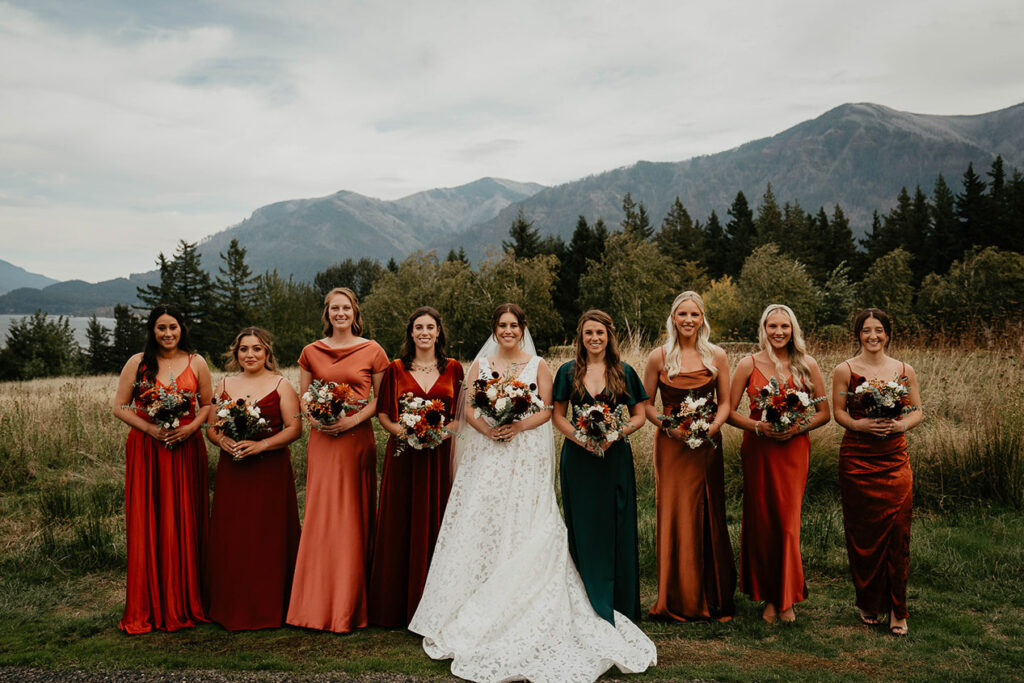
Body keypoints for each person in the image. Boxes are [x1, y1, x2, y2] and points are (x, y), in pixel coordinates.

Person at [409, 304, 656, 683]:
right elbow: (470, 408)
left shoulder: (539, 364)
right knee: (485, 518)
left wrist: (519, 424)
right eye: (502, 325)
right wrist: (489, 428)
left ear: (522, 329)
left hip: (524, 453)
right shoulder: (482, 365)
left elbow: (546, 411)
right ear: (495, 329)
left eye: (514, 325)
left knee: (528, 517)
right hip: (490, 452)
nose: (508, 331)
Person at [286, 287, 389, 633]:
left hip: (356, 440)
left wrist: (352, 420)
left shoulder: (373, 350)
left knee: (352, 515)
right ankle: (313, 603)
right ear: (327, 313)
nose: (340, 313)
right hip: (323, 440)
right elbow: (304, 397)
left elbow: (381, 399)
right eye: (334, 308)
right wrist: (317, 420)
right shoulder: (310, 352)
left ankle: (352, 603)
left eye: (346, 308)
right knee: (321, 514)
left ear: (354, 312)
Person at [112, 305, 212, 633]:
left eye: (173, 327)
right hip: (147, 447)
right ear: (152, 330)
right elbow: (120, 407)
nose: (167, 334)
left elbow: (207, 405)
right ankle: (150, 603)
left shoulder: (196, 362)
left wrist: (190, 428)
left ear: (182, 328)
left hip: (186, 447)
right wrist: (152, 430)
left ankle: (187, 599)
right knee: (149, 519)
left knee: (185, 519)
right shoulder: (138, 362)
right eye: (161, 328)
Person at [728, 304, 830, 623]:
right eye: (772, 326)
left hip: (793, 451)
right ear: (763, 329)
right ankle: (770, 597)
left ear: (793, 329)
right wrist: (759, 427)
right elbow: (729, 412)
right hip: (759, 449)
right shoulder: (748, 364)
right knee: (763, 523)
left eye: (784, 326)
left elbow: (824, 413)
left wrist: (797, 428)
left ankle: (786, 599)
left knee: (787, 523)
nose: (778, 332)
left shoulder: (807, 364)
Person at [367, 307, 464, 628]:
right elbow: (383, 415)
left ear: (439, 332)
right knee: (400, 522)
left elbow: (460, 417)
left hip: (439, 456)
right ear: (411, 333)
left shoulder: (453, 369)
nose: (424, 332)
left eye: (430, 327)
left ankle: (436, 607)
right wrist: (408, 434)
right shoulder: (395, 369)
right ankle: (394, 606)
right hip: (404, 457)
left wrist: (438, 434)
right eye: (418, 327)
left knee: (438, 521)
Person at [643, 292, 736, 622]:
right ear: (672, 318)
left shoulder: (717, 356)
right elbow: (646, 405)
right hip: (671, 445)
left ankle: (711, 596)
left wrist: (711, 428)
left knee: (705, 511)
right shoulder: (659, 357)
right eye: (682, 314)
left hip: (707, 444)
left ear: (702, 318)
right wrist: (671, 428)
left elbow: (725, 402)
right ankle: (675, 598)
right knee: (675, 511)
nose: (688, 320)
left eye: (694, 314)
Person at [551, 310, 647, 624]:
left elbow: (639, 416)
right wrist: (582, 440)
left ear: (609, 336)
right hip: (578, 461)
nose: (594, 338)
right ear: (581, 336)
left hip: (614, 458)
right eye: (588, 333)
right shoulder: (567, 371)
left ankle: (620, 604)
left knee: (616, 526)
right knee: (584, 526)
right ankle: (583, 604)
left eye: (600, 333)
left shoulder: (624, 371)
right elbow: (558, 417)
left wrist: (614, 434)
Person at [831, 309, 922, 637]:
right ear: (858, 334)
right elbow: (838, 412)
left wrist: (901, 424)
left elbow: (917, 410)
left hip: (894, 460)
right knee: (863, 535)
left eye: (879, 330)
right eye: (867, 330)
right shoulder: (845, 370)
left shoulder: (903, 370)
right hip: (857, 460)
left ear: (888, 334)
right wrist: (858, 423)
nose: (873, 336)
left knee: (899, 534)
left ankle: (898, 609)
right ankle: (868, 602)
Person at [204, 327, 301, 631]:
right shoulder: (223, 385)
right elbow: (211, 428)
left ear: (267, 353)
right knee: (234, 535)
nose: (250, 354)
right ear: (236, 354)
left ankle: (271, 605)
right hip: (233, 470)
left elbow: (294, 429)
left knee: (267, 536)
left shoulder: (282, 385)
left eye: (257, 349)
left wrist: (261, 445)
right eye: (244, 349)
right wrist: (222, 442)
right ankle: (230, 604)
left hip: (269, 471)